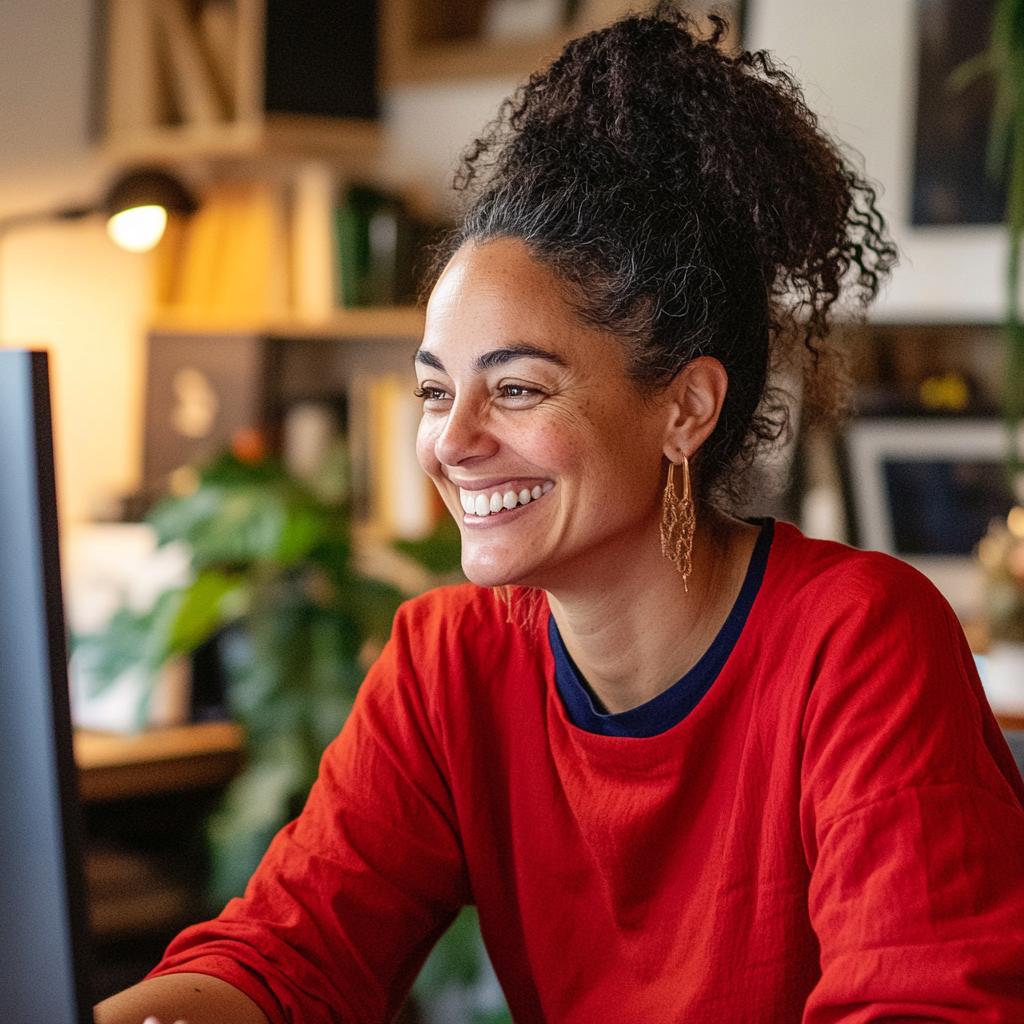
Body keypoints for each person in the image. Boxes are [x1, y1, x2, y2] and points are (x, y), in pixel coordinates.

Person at [95, 6, 1024, 1023]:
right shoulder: (448, 661)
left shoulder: (854, 641)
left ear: (685, 408)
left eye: (519, 389)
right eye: (435, 391)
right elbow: (286, 954)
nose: (452, 441)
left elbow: (927, 1004)